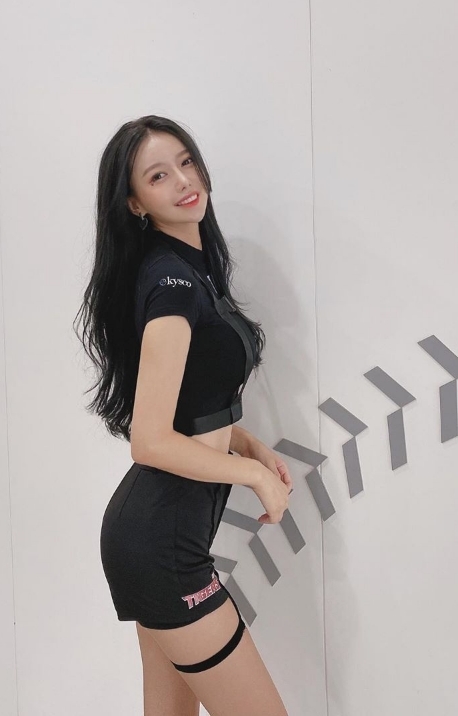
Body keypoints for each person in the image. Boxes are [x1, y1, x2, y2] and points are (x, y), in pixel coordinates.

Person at [74, 115, 292, 715]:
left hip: (156, 539)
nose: (183, 180)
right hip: (161, 547)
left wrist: (247, 445)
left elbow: (191, 406)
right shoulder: (171, 285)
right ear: (135, 203)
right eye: (158, 175)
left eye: (187, 161)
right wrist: (251, 476)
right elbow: (149, 440)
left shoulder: (188, 270)